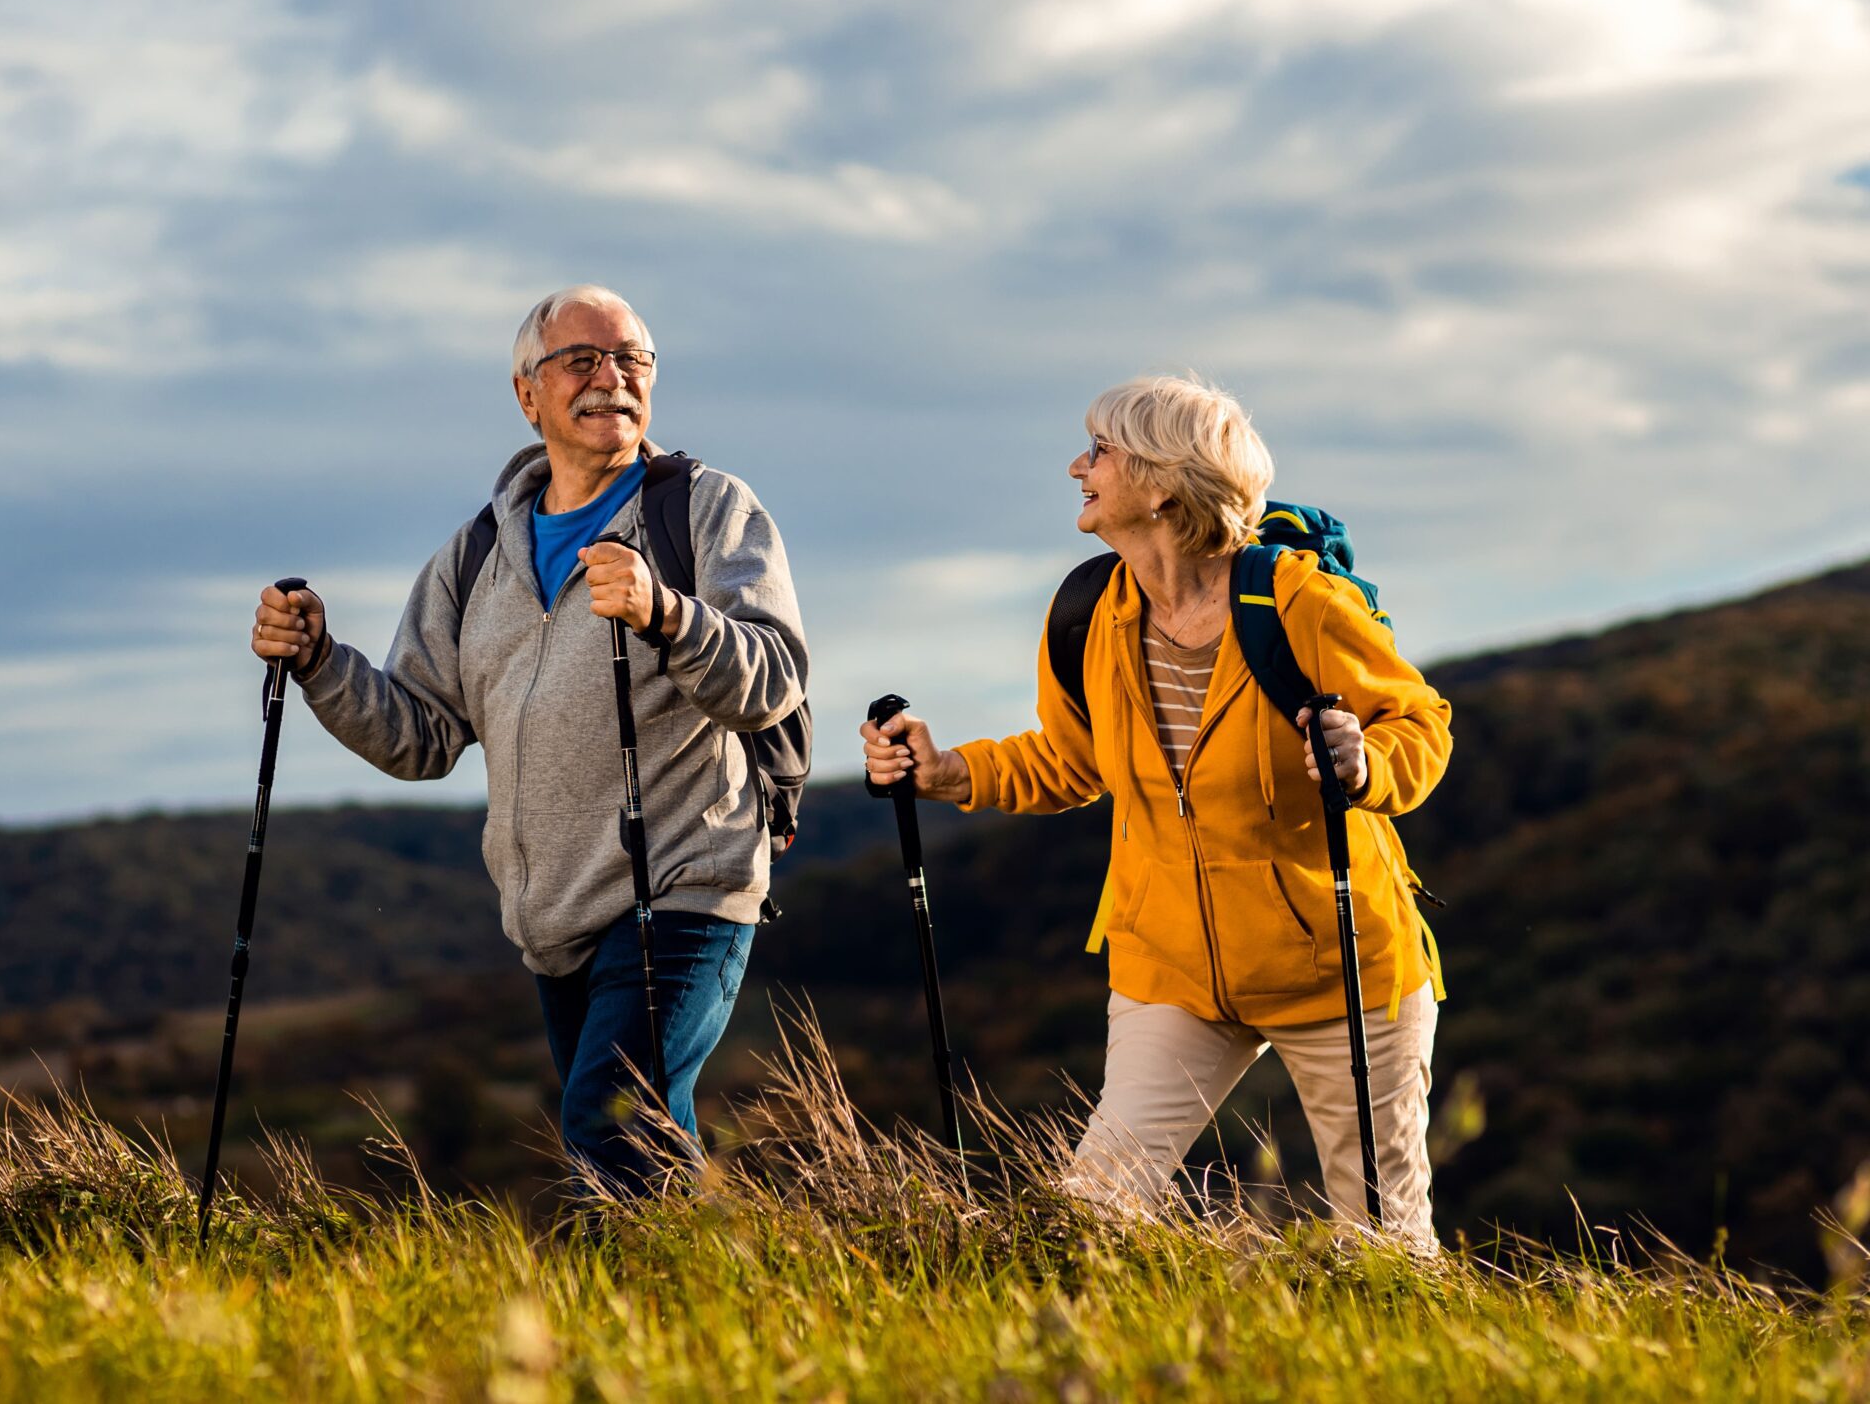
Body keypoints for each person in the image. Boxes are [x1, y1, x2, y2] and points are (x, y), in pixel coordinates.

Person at [862, 374, 1451, 1245]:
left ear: (1165, 483)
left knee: (1386, 1238)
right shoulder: (1090, 613)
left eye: (1099, 451)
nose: (1077, 466)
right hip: (1170, 966)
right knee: (1091, 1214)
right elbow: (1069, 762)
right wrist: (945, 770)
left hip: (1340, 968)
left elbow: (1421, 724)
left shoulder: (1301, 604)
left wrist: (1366, 767)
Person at [251, 284, 808, 1193]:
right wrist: (318, 660)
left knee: (611, 1124)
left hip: (685, 882)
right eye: (581, 361)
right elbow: (419, 735)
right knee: (638, 1138)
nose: (612, 380)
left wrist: (666, 613)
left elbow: (774, 678)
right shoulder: (475, 558)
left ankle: (640, 1322)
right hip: (554, 917)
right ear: (527, 394)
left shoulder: (706, 509)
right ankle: (709, 1306)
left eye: (632, 359)